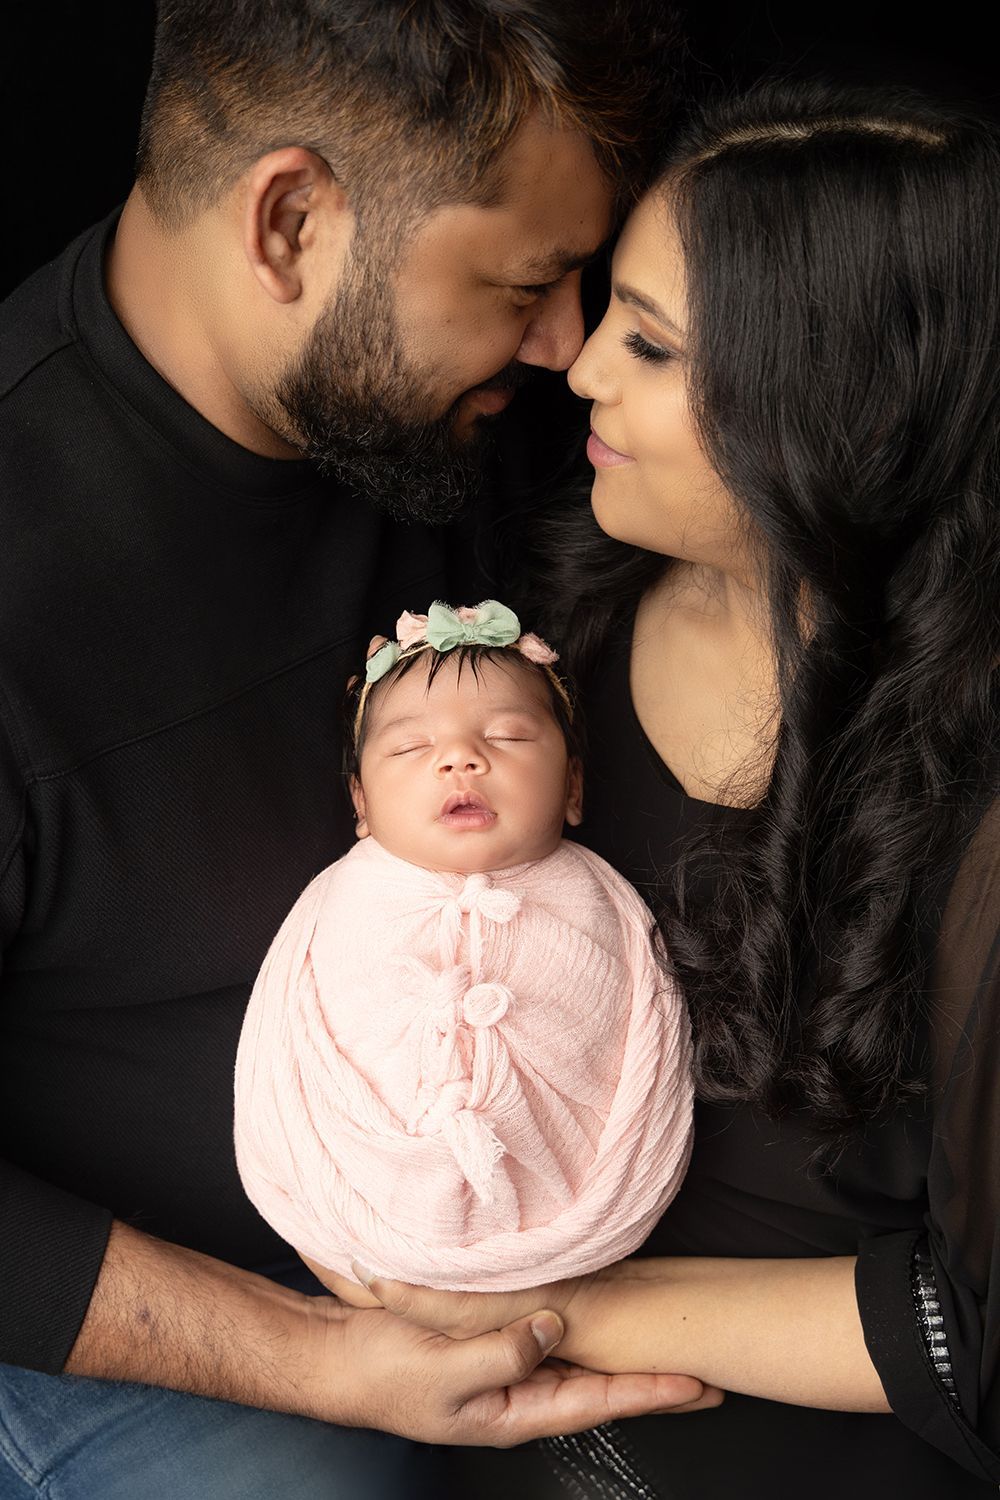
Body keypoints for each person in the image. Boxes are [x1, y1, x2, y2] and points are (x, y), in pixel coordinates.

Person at [0, 6, 723, 1499]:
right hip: (150, 1326)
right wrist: (310, 1356)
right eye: (526, 283)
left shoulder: (474, 428)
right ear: (290, 224)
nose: (572, 344)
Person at [344, 83, 1000, 1498]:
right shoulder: (561, 612)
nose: (579, 370)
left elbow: (969, 1329)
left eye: (650, 343)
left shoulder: (971, 803)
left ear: (839, 416)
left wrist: (559, 1318)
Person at [233, 600, 692, 1295]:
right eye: (411, 748)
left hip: (585, 1254)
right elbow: (295, 1052)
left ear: (572, 787)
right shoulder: (339, 908)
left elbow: (633, 1038)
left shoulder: (599, 900)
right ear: (360, 803)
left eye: (507, 737)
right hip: (365, 1252)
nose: (460, 759)